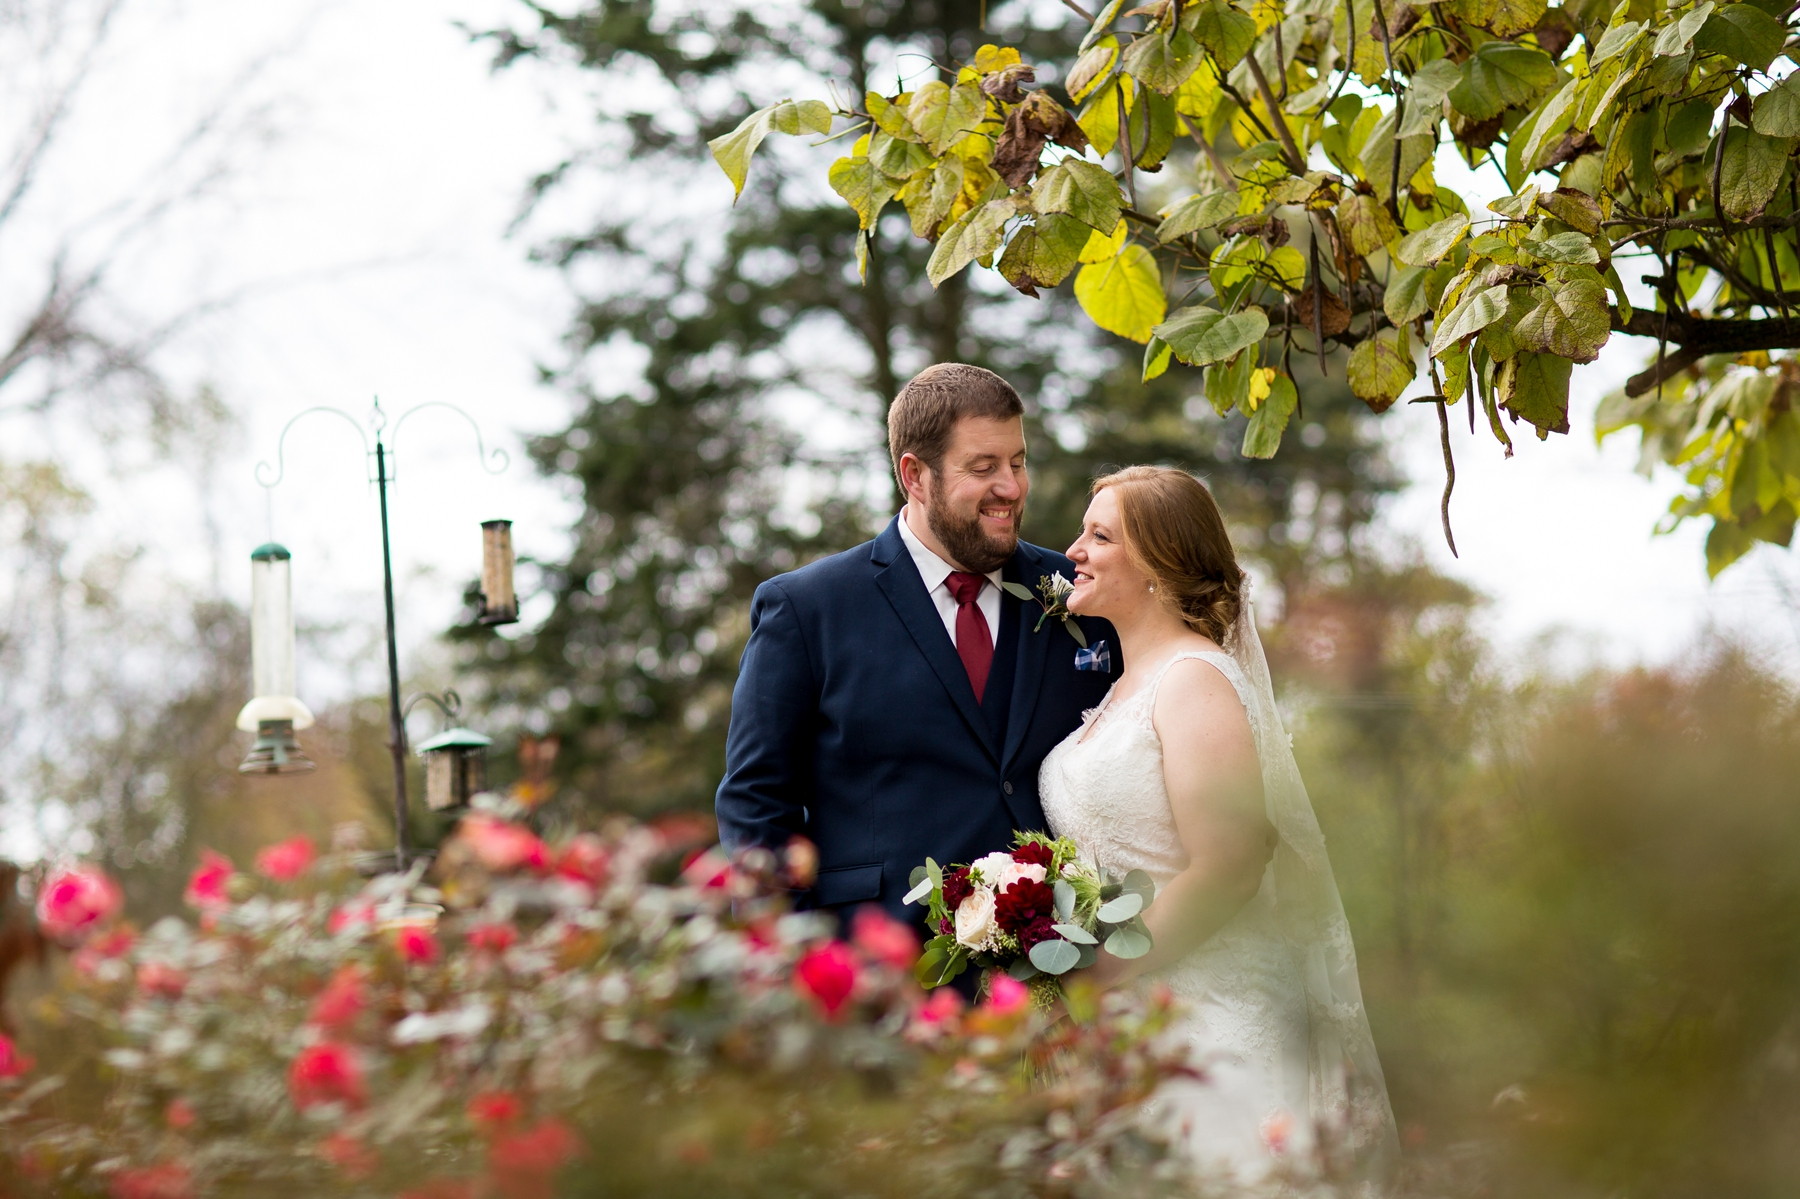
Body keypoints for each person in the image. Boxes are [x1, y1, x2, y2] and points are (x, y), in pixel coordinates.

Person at [1040, 465, 1397, 1183]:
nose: (1071, 550)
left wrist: (1099, 974)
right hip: (1142, 1025)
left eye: (1099, 534)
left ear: (1156, 564)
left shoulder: (1194, 678)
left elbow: (1230, 863)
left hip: (1213, 1023)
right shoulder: (1124, 686)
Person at [715, 363, 1115, 928]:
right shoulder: (808, 609)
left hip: (1058, 964)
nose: (1011, 486)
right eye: (984, 468)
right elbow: (757, 802)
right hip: (877, 966)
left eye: (1018, 462)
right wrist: (789, 956)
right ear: (915, 476)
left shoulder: (1080, 592)